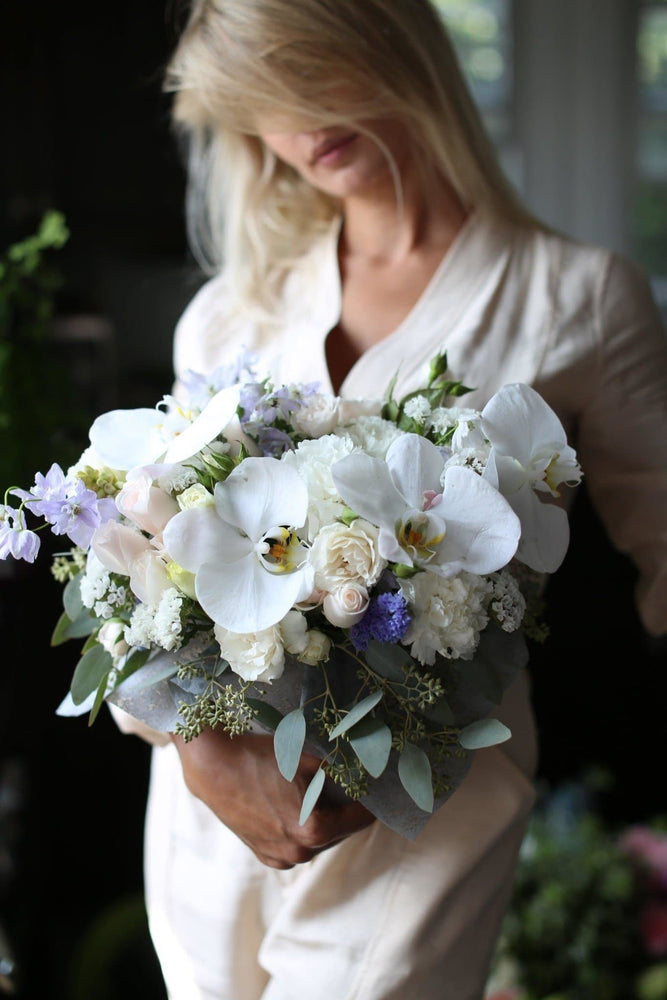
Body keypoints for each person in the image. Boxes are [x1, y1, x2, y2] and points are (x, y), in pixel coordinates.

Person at [111, 1, 667, 997]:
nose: (301, 124)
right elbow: (152, 560)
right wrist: (194, 750)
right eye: (263, 102)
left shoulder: (577, 299)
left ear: (390, 40)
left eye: (314, 71)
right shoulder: (233, 313)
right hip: (215, 809)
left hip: (425, 807)